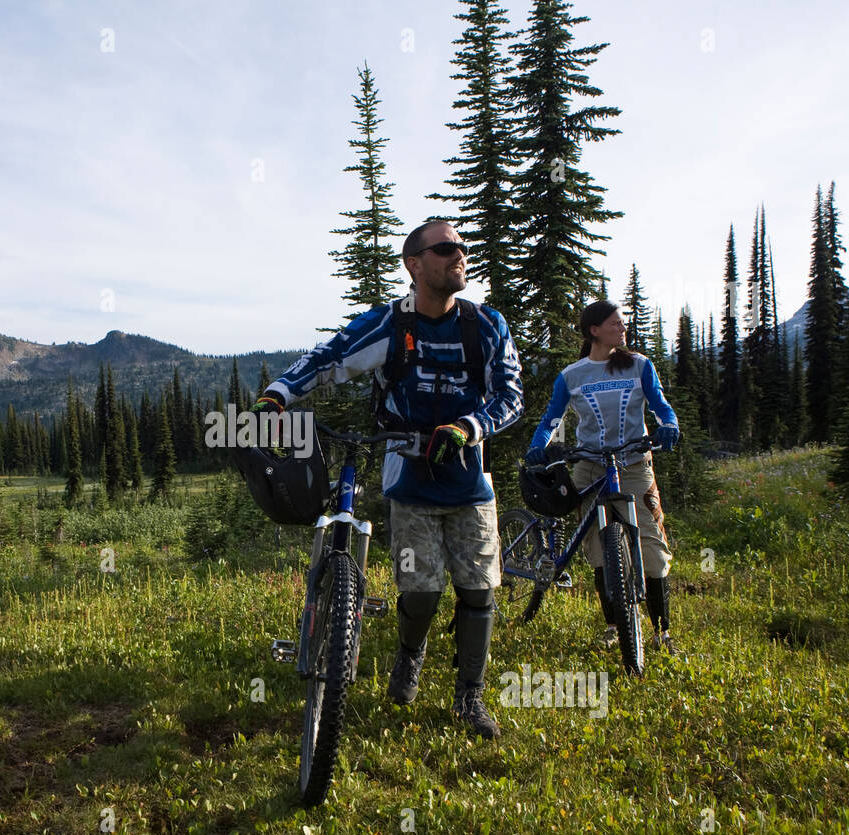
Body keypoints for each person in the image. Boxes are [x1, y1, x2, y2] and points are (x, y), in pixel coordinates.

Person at [254, 220, 523, 738]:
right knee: (419, 590)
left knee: (478, 588)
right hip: (409, 476)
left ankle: (470, 697)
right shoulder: (389, 324)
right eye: (445, 249)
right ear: (414, 265)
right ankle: (410, 654)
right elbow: (330, 357)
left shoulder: (486, 325)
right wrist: (279, 394)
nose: (459, 256)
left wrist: (469, 428)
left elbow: (511, 396)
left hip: (470, 480)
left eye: (463, 247)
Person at [525, 300, 680, 649]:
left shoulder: (640, 365)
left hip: (635, 465)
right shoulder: (572, 375)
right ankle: (614, 626)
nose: (623, 329)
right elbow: (552, 419)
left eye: (622, 324)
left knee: (652, 548)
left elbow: (660, 405)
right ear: (594, 330)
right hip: (590, 465)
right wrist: (539, 446)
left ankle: (662, 632)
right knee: (598, 547)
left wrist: (669, 424)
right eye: (615, 323)